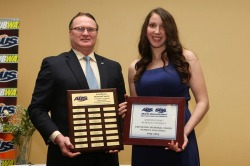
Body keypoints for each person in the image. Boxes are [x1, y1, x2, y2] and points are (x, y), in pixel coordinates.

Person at [28, 12, 126, 166]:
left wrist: (118, 135)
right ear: (70, 33)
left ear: (97, 33)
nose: (86, 33)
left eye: (91, 29)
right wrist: (58, 138)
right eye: (80, 28)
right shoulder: (53, 65)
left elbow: (121, 108)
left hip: (107, 157)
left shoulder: (113, 67)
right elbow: (36, 109)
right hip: (67, 156)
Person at [118, 7, 209, 166]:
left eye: (163, 26)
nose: (157, 31)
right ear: (145, 29)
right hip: (145, 145)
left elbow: (203, 102)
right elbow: (137, 108)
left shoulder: (186, 57)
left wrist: (183, 133)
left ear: (170, 31)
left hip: (179, 140)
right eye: (152, 25)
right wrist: (128, 112)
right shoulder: (135, 67)